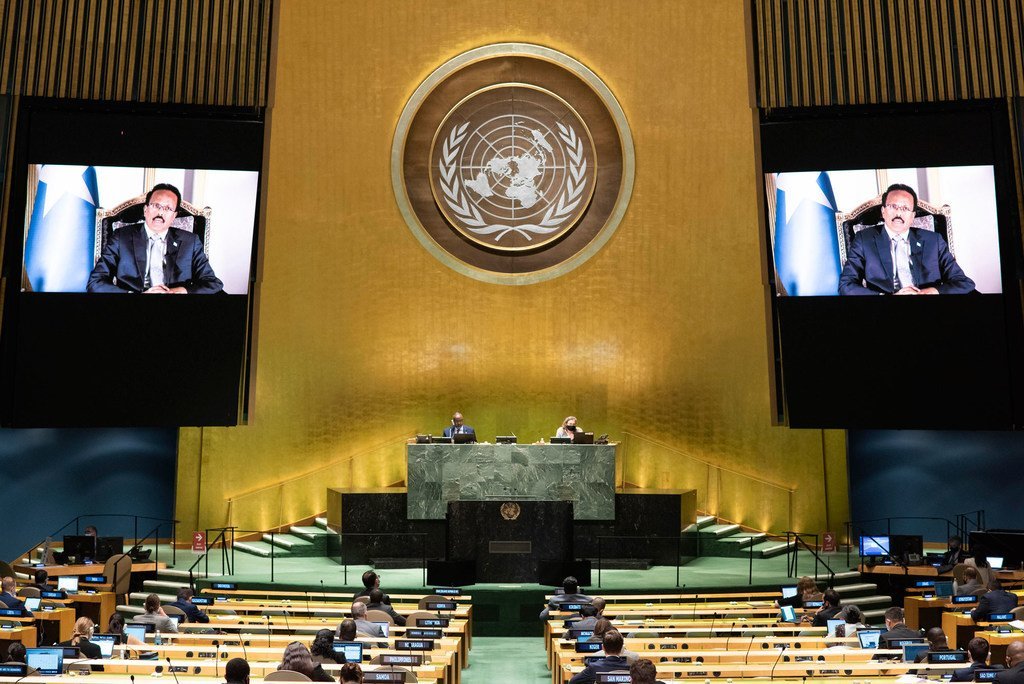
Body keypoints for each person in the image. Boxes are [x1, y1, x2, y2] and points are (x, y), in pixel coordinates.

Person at [838, 183, 975, 296]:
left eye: (905, 208)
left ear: (912, 216)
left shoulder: (933, 240)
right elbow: (846, 285)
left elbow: (964, 283)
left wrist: (931, 292)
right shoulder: (864, 239)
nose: (898, 213)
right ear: (883, 211)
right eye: (893, 206)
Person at [87, 183, 223, 294]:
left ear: (174, 216)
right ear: (146, 209)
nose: (160, 212)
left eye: (168, 208)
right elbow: (96, 282)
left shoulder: (190, 241)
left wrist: (180, 291)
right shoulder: (121, 237)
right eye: (156, 206)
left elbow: (212, 283)